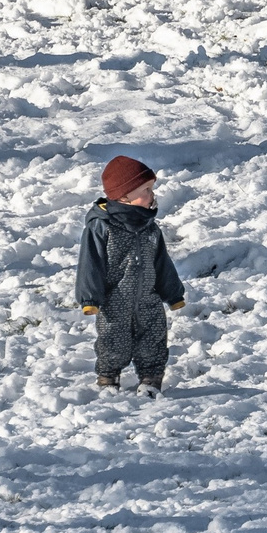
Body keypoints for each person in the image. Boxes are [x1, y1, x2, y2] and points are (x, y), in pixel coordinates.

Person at [77, 154, 185, 397]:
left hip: (148, 297)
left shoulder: (150, 227)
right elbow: (90, 263)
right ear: (124, 196)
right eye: (145, 189)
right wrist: (90, 299)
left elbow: (162, 263)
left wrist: (173, 293)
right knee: (112, 339)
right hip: (115, 300)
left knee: (154, 338)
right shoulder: (101, 227)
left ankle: (151, 378)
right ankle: (108, 377)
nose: (152, 195)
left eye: (151, 189)